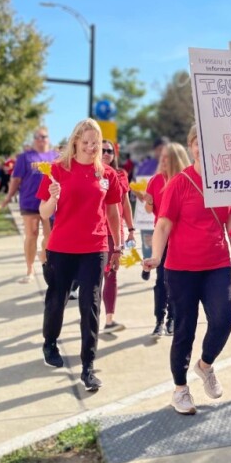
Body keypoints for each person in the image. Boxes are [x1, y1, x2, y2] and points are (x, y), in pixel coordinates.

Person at [142, 125, 231, 415]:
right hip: (181, 269)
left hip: (217, 264)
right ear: (192, 146)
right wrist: (156, 256)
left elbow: (230, 222)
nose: (203, 149)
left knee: (224, 320)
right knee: (185, 329)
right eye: (198, 143)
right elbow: (163, 224)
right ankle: (180, 389)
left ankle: (205, 366)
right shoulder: (179, 184)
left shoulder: (226, 181)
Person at [37, 119, 124, 392]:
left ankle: (88, 366)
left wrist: (117, 246)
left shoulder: (107, 174)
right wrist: (53, 198)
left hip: (95, 247)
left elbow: (113, 212)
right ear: (75, 141)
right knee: (57, 300)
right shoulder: (57, 170)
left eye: (95, 144)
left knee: (90, 304)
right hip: (62, 247)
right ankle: (50, 341)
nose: (90, 148)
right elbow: (44, 212)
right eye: (85, 142)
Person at [140, 141, 191, 336]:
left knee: (176, 282)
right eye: (160, 158)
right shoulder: (155, 181)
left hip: (182, 239)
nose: (162, 162)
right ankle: (159, 320)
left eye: (166, 158)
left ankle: (172, 318)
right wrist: (149, 203)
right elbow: (149, 210)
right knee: (161, 280)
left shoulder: (185, 180)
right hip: (162, 239)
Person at [1, 128, 58, 284]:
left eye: (43, 136)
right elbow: (16, 180)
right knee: (31, 234)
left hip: (49, 202)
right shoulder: (25, 157)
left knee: (50, 237)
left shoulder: (56, 157)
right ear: (34, 139)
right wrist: (8, 197)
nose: (40, 139)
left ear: (48, 138)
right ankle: (30, 269)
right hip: (29, 201)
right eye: (37, 137)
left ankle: (45, 260)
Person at [100, 139, 137, 333]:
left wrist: (131, 230)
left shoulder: (121, 174)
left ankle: (109, 319)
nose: (106, 153)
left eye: (110, 151)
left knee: (111, 274)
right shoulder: (90, 173)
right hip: (93, 233)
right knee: (94, 278)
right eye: (102, 150)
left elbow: (125, 204)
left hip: (115, 234)